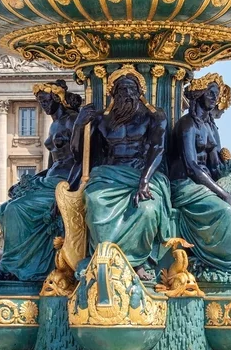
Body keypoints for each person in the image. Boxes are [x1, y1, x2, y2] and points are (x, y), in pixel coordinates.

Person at [71, 65, 171, 279]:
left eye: (131, 89)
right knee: (94, 200)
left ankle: (137, 261)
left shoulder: (155, 117)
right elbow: (80, 155)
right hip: (110, 173)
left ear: (139, 92)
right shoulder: (101, 120)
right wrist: (79, 126)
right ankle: (102, 258)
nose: (126, 94)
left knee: (148, 209)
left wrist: (145, 180)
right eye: (121, 90)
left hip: (142, 172)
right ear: (113, 94)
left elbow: (158, 148)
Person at [169, 73, 231, 282]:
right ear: (198, 95)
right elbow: (191, 167)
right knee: (223, 209)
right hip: (185, 185)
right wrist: (223, 194)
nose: (215, 98)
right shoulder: (187, 125)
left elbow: (214, 165)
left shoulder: (210, 127)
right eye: (211, 93)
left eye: (216, 94)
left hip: (206, 183)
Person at [0, 80, 82, 282]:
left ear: (58, 99)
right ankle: (17, 263)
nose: (44, 106)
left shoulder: (73, 121)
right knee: (3, 209)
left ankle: (13, 268)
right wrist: (29, 181)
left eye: (47, 101)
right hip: (51, 178)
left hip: (65, 181)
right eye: (40, 102)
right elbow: (52, 163)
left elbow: (83, 160)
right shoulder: (55, 125)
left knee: (16, 210)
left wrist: (66, 194)